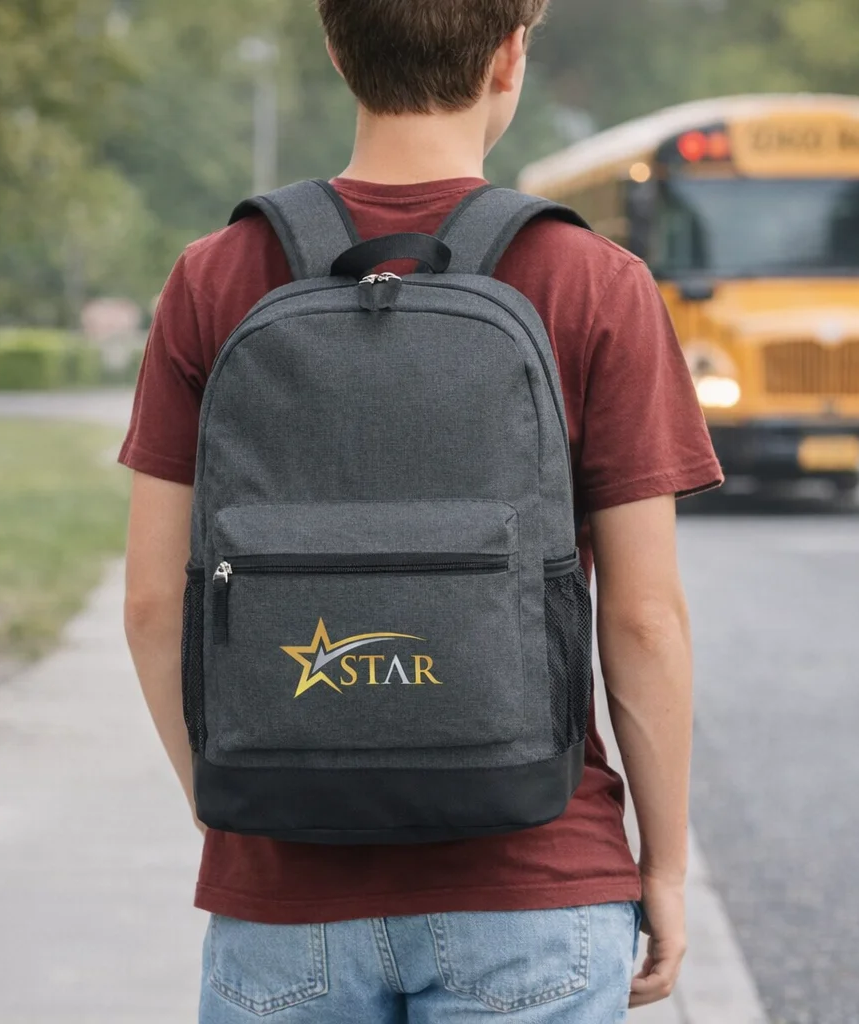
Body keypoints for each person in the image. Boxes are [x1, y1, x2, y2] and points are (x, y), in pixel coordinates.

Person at [121, 1, 723, 1020]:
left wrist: (237, 806)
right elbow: (642, 619)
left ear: (334, 48)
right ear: (510, 54)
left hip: (283, 899)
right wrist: (660, 866)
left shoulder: (212, 275)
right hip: (533, 881)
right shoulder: (594, 282)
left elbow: (151, 606)